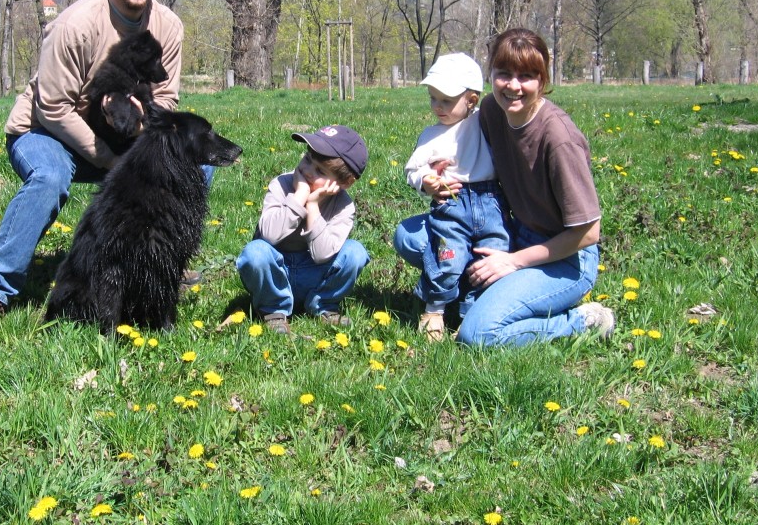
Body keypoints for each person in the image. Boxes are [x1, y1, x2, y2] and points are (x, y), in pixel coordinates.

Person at [0, 0, 185, 332]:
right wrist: (115, 162)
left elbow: (167, 100)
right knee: (49, 177)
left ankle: (163, 268)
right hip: (45, 132)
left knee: (189, 164)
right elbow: (53, 107)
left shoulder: (167, 26)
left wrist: (142, 129)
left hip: (122, 136)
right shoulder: (75, 24)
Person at [394, 30, 614, 346]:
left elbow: (588, 234)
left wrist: (513, 262)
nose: (513, 86)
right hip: (510, 232)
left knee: (478, 335)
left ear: (543, 79)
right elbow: (461, 148)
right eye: (504, 74)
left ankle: (582, 320)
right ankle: (477, 292)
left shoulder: (559, 139)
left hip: (564, 257)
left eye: (526, 76)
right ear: (491, 75)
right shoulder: (493, 112)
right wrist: (433, 181)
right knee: (410, 236)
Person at [394, 53, 510, 342]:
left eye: (446, 100)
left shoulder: (484, 121)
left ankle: (471, 314)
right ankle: (434, 309)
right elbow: (412, 170)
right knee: (448, 254)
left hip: (491, 202)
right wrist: (427, 182)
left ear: (471, 100)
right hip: (452, 203)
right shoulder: (431, 135)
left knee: (492, 256)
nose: (437, 106)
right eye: (433, 98)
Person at [236, 125, 370, 334]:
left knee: (355, 252)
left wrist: (313, 206)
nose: (307, 170)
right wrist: (299, 197)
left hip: (315, 275)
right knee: (255, 252)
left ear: (345, 182)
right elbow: (269, 235)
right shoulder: (282, 184)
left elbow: (322, 255)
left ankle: (323, 305)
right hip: (277, 273)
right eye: (307, 159)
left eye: (320, 171)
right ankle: (273, 309)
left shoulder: (344, 206)